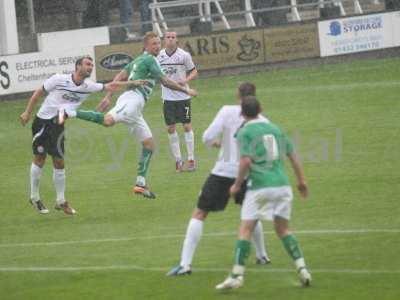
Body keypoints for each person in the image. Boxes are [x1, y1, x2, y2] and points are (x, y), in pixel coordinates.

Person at [59, 32, 197, 199]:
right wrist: (186, 90)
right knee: (107, 121)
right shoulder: (150, 60)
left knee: (149, 145)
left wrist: (108, 96)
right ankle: (69, 112)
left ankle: (140, 184)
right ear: (146, 46)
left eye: (158, 43)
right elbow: (165, 81)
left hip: (135, 107)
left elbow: (119, 76)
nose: (157, 46)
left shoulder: (137, 60)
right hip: (132, 100)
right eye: (154, 44)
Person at [167, 83, 270, 276]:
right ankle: (262, 255)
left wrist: (219, 143)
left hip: (223, 172)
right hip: (248, 173)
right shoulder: (263, 120)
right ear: (255, 97)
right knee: (251, 214)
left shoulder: (227, 111)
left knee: (199, 213)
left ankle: (185, 264)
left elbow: (207, 136)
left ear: (237, 96)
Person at [216, 96, 312, 290]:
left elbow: (245, 161)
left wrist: (236, 185)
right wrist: (301, 181)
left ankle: (236, 276)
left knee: (245, 229)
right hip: (283, 186)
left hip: (260, 187)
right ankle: (302, 269)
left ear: (242, 113)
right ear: (261, 109)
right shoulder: (275, 129)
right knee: (283, 229)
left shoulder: (244, 132)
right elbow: (293, 156)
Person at [19, 56, 124, 215]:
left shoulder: (88, 86)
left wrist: (132, 83)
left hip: (58, 124)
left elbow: (110, 86)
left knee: (59, 162)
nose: (90, 67)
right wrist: (27, 112)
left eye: (92, 65)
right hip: (43, 122)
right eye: (87, 64)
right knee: (40, 159)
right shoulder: (59, 79)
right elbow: (38, 93)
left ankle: (61, 201)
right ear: (78, 66)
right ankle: (34, 197)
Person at [157, 31, 198, 172]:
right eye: (168, 37)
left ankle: (191, 159)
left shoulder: (184, 55)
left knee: (187, 126)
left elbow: (194, 71)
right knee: (170, 128)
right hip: (167, 98)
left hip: (183, 97)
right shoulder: (159, 56)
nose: (170, 39)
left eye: (173, 37)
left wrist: (185, 80)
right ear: (164, 40)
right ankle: (178, 160)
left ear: (177, 39)